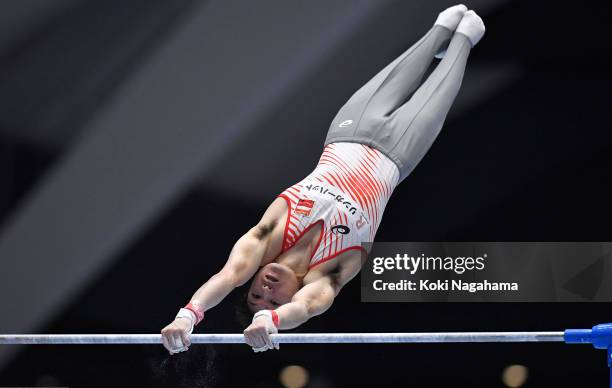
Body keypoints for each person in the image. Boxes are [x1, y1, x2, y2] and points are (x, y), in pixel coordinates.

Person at [161, 4, 485, 354]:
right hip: (400, 149)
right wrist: (273, 321)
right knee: (466, 35)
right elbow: (306, 308)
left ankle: (440, 31)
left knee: (442, 27)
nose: (266, 290)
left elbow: (227, 277)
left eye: (256, 293)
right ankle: (464, 39)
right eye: (272, 301)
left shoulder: (268, 236)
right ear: (290, 298)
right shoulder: (327, 275)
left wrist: (188, 315)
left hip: (348, 129)